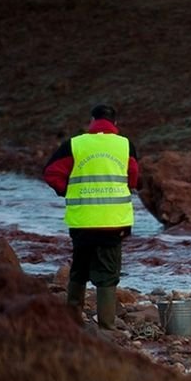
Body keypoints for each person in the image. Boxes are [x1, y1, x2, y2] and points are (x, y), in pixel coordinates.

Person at [43, 104, 139, 330]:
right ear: (115, 123)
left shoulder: (75, 144)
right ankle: (106, 326)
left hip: (82, 222)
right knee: (107, 274)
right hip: (113, 222)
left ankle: (72, 321)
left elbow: (51, 173)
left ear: (92, 121)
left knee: (79, 269)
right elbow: (133, 179)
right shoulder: (125, 145)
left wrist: (67, 190)